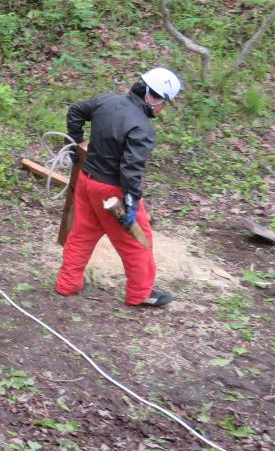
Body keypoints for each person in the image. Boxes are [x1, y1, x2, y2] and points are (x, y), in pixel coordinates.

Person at [55, 68, 182, 308]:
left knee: (81, 234)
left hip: (87, 182)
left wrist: (73, 144)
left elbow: (75, 111)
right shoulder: (142, 129)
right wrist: (131, 203)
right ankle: (141, 293)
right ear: (152, 97)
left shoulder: (107, 100)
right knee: (137, 241)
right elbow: (131, 169)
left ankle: (67, 283)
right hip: (112, 196)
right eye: (163, 103)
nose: (162, 109)